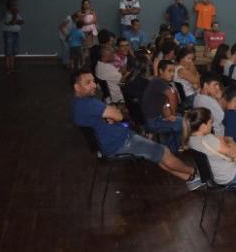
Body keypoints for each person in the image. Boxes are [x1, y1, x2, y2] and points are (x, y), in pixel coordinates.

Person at [71, 69, 201, 191]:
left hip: (113, 141)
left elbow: (113, 116)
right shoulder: (90, 103)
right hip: (121, 143)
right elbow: (119, 116)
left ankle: (191, 179)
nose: (93, 85)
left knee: (159, 154)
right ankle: (195, 173)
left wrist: (111, 116)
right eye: (88, 83)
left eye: (93, 81)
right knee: (164, 152)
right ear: (76, 87)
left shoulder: (78, 104)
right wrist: (114, 114)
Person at [142, 60, 183, 153]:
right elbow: (172, 99)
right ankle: (168, 151)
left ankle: (166, 148)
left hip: (154, 118)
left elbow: (164, 105)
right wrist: (173, 114)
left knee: (182, 120)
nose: (172, 74)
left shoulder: (157, 81)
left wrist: (168, 116)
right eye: (169, 71)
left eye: (173, 71)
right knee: (183, 125)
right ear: (161, 71)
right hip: (153, 122)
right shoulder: (159, 83)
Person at [193, 73, 226, 137]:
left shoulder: (198, 96)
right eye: (215, 85)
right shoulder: (206, 101)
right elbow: (224, 118)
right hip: (219, 134)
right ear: (205, 85)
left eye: (218, 85)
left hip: (212, 132)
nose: (218, 88)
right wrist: (219, 99)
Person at [2, 1, 23, 74]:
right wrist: (15, 17)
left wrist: (16, 19)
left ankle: (12, 67)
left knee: (14, 51)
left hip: (16, 34)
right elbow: (10, 22)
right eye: (13, 6)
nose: (15, 7)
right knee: (8, 51)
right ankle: (8, 68)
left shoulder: (16, 14)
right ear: (9, 7)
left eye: (15, 5)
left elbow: (22, 21)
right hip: (9, 34)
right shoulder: (7, 14)